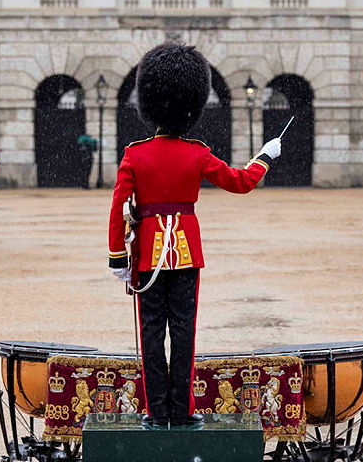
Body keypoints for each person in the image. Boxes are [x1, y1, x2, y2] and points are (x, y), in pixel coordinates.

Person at [107, 42, 281, 429]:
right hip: (185, 251)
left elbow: (118, 209)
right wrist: (265, 156)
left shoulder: (135, 154)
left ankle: (157, 411)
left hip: (148, 255)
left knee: (151, 331)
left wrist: (118, 257)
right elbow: (241, 182)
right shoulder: (197, 153)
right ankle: (182, 411)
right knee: (183, 331)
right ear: (192, 105)